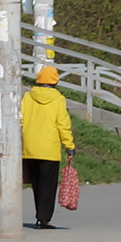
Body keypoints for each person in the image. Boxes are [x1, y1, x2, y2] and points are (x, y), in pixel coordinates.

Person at [22, 65, 76, 229]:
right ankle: (43, 218)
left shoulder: (27, 96)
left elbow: (21, 119)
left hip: (29, 147)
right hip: (49, 149)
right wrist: (69, 145)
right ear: (55, 80)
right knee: (48, 184)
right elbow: (63, 124)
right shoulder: (58, 98)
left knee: (36, 184)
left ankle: (39, 214)